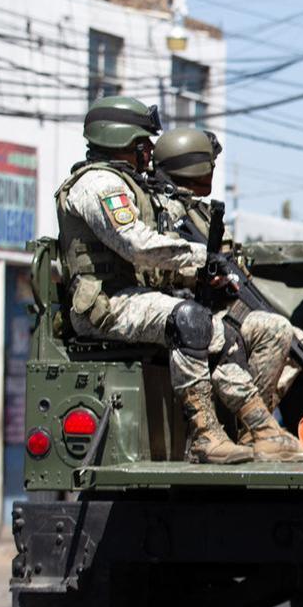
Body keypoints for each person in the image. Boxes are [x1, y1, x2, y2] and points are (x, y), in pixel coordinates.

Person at [55, 97, 249, 464]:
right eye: (143, 146)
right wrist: (202, 258)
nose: (148, 155)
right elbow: (137, 246)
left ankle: (256, 425)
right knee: (188, 319)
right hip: (103, 306)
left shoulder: (128, 185)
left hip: (126, 297)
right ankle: (206, 435)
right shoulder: (99, 185)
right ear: (124, 143)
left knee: (223, 330)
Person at [151, 128, 303, 462]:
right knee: (242, 338)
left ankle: (253, 431)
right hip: (182, 317)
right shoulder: (163, 211)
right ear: (194, 166)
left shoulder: (195, 210)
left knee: (294, 341)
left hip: (207, 309)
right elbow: (158, 268)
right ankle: (259, 428)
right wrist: (201, 275)